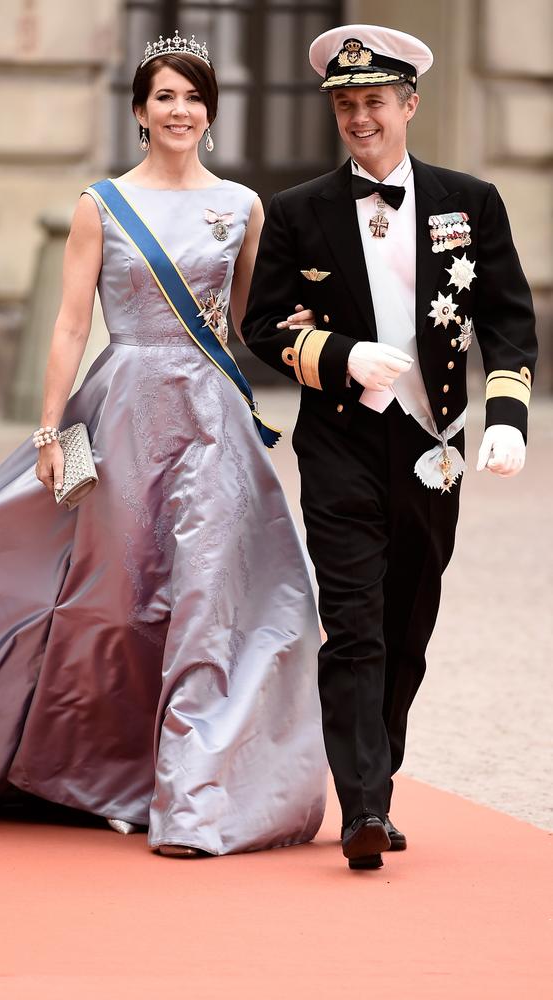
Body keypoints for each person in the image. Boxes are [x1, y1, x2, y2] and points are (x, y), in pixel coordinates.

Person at [0, 32, 327, 857]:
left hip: (210, 418)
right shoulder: (101, 203)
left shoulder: (242, 205)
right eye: (165, 96)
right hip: (123, 408)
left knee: (211, 596)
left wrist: (312, 340)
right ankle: (97, 774)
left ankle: (196, 801)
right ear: (139, 111)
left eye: (194, 96)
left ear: (211, 110)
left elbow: (250, 323)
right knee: (117, 596)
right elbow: (69, 324)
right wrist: (52, 428)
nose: (181, 110)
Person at [242, 24, 537, 870]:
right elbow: (261, 326)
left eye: (374, 101)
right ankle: (364, 808)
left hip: (432, 442)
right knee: (355, 625)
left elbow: (509, 324)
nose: (359, 117)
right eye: (345, 104)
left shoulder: (469, 199)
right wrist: (338, 357)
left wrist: (508, 418)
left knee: (408, 624)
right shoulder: (300, 211)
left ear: (409, 104)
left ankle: (382, 778)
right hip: (339, 440)